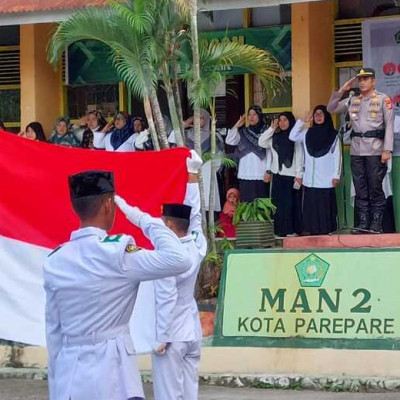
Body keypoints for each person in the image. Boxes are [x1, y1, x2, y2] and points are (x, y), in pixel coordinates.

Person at [44, 170, 191, 400]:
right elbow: (180, 259)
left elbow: (54, 333)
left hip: (69, 377)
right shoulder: (117, 253)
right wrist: (142, 218)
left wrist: (56, 389)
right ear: (108, 204)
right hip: (113, 376)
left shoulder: (55, 260)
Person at [152, 150, 206, 400]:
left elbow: (165, 296)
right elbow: (194, 216)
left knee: (168, 395)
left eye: (163, 223)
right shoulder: (196, 244)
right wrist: (192, 174)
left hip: (172, 333)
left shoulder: (168, 257)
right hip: (191, 330)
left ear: (171, 227)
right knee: (188, 392)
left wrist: (161, 336)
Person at [327, 68, 394, 233]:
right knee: (360, 187)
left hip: (376, 150)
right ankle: (363, 223)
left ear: (373, 81)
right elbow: (331, 108)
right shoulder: (352, 100)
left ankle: (376, 224)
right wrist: (342, 90)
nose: (362, 82)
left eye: (366, 79)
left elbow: (390, 126)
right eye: (360, 79)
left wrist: (387, 150)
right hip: (356, 151)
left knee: (375, 187)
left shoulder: (382, 99)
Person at [290, 106, 341, 235]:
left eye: (321, 114)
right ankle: (311, 230)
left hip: (326, 178)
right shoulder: (307, 132)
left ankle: (327, 230)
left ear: (326, 116)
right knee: (311, 206)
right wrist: (302, 121)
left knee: (325, 207)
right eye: (315, 114)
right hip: (310, 179)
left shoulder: (333, 135)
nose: (318, 116)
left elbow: (337, 157)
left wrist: (336, 175)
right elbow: (292, 136)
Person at [258, 112, 304, 237]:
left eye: (285, 120)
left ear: (290, 121)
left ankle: (291, 230)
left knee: (290, 204)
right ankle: (280, 231)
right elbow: (261, 142)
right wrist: (272, 128)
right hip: (277, 175)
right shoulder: (274, 137)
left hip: (291, 175)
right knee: (278, 204)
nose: (282, 123)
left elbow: (299, 156)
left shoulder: (295, 137)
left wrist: (299, 174)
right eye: (280, 120)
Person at [169, 110, 222, 212]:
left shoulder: (213, 136)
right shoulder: (185, 135)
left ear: (206, 120)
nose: (198, 120)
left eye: (201, 118)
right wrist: (185, 124)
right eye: (196, 118)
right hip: (190, 172)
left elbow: (219, 157)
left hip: (207, 170)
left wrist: (212, 169)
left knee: (207, 201)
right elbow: (171, 139)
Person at [226, 105, 271, 202]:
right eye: (249, 114)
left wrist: (268, 171)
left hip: (261, 171)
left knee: (261, 202)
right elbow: (229, 140)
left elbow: (269, 153)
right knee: (247, 202)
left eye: (254, 114)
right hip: (245, 171)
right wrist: (237, 125)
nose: (251, 117)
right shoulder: (243, 132)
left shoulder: (266, 132)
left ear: (259, 116)